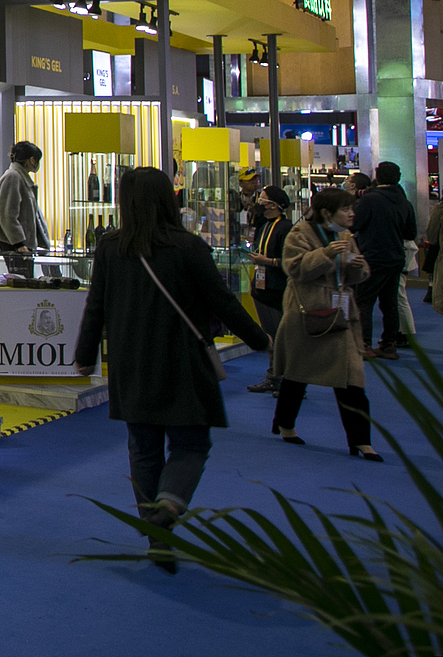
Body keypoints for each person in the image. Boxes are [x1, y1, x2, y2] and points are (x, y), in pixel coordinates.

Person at [74, 166, 270, 573]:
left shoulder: (111, 247)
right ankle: (170, 504)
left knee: (143, 451)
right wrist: (260, 339)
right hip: (184, 362)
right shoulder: (189, 247)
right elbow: (224, 302)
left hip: (131, 364)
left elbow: (97, 305)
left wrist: (84, 354)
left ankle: (156, 535)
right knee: (191, 445)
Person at [270, 188, 384, 461]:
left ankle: (361, 441)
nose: (352, 214)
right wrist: (326, 254)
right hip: (307, 315)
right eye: (346, 210)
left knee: (352, 379)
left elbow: (359, 274)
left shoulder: (346, 236)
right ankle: (285, 424)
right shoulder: (299, 234)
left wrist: (356, 266)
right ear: (326, 212)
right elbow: (294, 268)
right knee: (296, 375)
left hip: (341, 314)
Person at [352, 162, 416, 358]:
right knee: (390, 304)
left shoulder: (370, 200)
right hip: (396, 258)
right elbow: (410, 232)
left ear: (377, 177)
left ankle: (363, 344)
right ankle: (389, 344)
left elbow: (354, 224)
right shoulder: (405, 203)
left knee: (364, 301)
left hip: (372, 257)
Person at [244, 185, 295, 392]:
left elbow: (291, 262)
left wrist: (268, 261)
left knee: (281, 337)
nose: (259, 202)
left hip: (277, 289)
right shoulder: (265, 225)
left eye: (263, 200)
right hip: (261, 288)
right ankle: (274, 376)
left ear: (273, 205)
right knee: (271, 337)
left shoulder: (285, 228)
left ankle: (286, 379)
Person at [0, 141, 45, 277]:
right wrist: (19, 243)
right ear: (32, 160)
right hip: (16, 246)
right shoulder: (13, 177)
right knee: (22, 283)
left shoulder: (19, 178)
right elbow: (7, 214)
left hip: (21, 245)